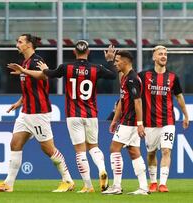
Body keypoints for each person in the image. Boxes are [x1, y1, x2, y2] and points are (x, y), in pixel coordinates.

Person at [32, 41, 117, 193]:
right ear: (89, 52)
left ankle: (88, 186)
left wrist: (45, 69)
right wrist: (110, 60)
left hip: (73, 114)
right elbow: (112, 75)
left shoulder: (66, 67)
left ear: (74, 51)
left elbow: (51, 74)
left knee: (80, 151)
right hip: (91, 114)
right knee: (94, 146)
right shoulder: (96, 68)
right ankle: (102, 169)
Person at [0, 33, 75, 193]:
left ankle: (68, 180)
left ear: (29, 45)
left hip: (39, 112)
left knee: (48, 149)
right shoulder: (24, 62)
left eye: (20, 42)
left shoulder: (37, 60)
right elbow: (30, 88)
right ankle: (8, 184)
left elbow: (45, 76)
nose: (17, 44)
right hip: (26, 113)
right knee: (15, 144)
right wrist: (19, 102)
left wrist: (24, 70)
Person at [138, 45, 189, 193]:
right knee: (151, 153)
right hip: (149, 122)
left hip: (168, 121)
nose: (163, 56)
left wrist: (186, 115)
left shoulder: (173, 77)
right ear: (154, 57)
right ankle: (153, 182)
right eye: (160, 54)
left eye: (165, 54)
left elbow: (179, 96)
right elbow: (132, 90)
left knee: (166, 150)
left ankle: (162, 183)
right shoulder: (143, 76)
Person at [102, 50, 149, 195]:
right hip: (128, 121)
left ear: (126, 62)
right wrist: (115, 120)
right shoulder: (125, 78)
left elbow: (138, 102)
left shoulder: (132, 79)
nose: (115, 63)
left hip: (130, 122)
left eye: (117, 61)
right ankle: (143, 187)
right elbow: (122, 101)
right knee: (134, 152)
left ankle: (116, 186)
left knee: (114, 149)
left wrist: (140, 123)